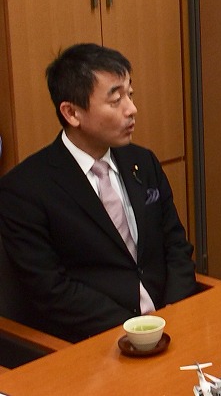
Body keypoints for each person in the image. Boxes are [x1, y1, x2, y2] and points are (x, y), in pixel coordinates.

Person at [0, 43, 197, 342]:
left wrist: (175, 312)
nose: (131, 109)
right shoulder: (25, 189)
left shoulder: (143, 162)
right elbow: (52, 290)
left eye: (130, 94)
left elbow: (176, 247)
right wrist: (136, 330)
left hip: (171, 324)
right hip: (95, 340)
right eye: (116, 100)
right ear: (72, 113)